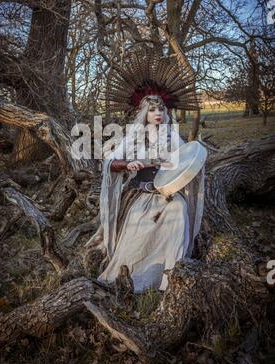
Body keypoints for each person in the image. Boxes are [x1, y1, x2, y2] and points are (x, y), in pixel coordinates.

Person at [85, 92, 205, 294]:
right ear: (144, 113)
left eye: (161, 109)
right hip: (140, 194)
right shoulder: (133, 138)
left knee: (179, 209)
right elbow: (109, 163)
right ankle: (135, 276)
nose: (157, 113)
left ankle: (170, 276)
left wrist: (188, 164)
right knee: (140, 224)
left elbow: (188, 159)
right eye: (152, 109)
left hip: (166, 193)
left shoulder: (171, 136)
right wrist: (128, 164)